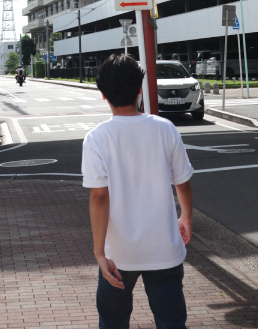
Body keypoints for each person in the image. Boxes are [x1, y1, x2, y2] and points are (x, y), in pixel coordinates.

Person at [82, 54, 193, 329]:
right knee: (171, 322)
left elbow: (99, 196)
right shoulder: (165, 128)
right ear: (139, 89)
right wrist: (186, 217)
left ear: (103, 94)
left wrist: (99, 253)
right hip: (164, 247)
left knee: (113, 321)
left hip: (118, 253)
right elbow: (183, 181)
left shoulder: (97, 138)